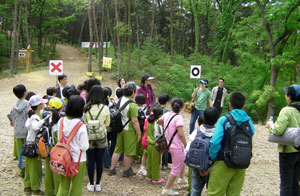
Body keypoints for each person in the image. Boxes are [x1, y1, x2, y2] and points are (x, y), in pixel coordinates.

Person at [207, 92, 255, 196]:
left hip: (223, 162)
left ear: (229, 105)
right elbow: (251, 135)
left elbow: (215, 142)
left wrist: (213, 158)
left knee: (215, 193)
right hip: (241, 163)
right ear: (244, 106)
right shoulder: (249, 122)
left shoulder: (223, 120)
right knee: (234, 193)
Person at [265, 84, 300, 196]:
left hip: (288, 151)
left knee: (285, 184)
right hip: (299, 150)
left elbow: (278, 130)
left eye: (286, 93)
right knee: (295, 183)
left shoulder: (287, 110)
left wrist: (270, 125)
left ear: (289, 97)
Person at [56, 95, 89, 196]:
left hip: (63, 158)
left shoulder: (61, 121)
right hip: (78, 160)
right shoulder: (81, 126)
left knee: (63, 184)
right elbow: (84, 146)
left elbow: (59, 139)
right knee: (76, 185)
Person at [109, 82, 142, 177]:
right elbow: (135, 121)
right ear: (133, 92)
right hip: (129, 130)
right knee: (129, 151)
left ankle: (112, 168)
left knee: (118, 149)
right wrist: (139, 133)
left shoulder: (120, 100)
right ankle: (127, 170)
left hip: (120, 128)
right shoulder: (132, 105)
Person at [185, 107, 220, 196]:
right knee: (211, 192)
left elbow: (188, 149)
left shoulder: (197, 131)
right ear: (217, 120)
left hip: (196, 166)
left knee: (195, 190)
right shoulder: (217, 133)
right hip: (211, 169)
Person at [84, 85, 110, 192]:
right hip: (101, 137)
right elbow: (107, 123)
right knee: (99, 161)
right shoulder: (105, 108)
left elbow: (85, 123)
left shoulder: (86, 108)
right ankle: (98, 183)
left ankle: (90, 183)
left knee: (90, 161)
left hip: (89, 137)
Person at [159, 98, 187, 196]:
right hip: (176, 146)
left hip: (168, 144)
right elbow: (181, 134)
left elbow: (159, 121)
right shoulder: (178, 118)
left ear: (171, 106)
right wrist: (185, 144)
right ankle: (167, 189)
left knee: (182, 158)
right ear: (182, 107)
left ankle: (181, 178)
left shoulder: (166, 115)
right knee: (175, 168)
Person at [24, 95, 50, 195]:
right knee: (35, 168)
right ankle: (35, 188)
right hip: (33, 147)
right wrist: (45, 119)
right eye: (42, 103)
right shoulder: (35, 117)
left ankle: (27, 187)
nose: (43, 104)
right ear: (38, 105)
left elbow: (27, 126)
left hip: (27, 145)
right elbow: (35, 127)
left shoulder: (30, 116)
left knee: (29, 167)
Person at [7, 84, 30, 177]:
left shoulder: (15, 104)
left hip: (17, 131)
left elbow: (10, 115)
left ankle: (21, 169)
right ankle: (26, 168)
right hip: (26, 131)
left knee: (21, 151)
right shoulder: (27, 104)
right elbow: (29, 116)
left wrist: (13, 122)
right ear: (25, 93)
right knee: (27, 151)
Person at [44, 97, 63, 196]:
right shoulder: (61, 121)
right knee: (57, 172)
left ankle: (49, 192)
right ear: (61, 107)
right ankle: (57, 192)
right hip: (58, 149)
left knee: (49, 171)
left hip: (48, 148)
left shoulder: (47, 118)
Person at [146, 106, 165, 184]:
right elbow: (159, 135)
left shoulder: (149, 123)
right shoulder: (157, 124)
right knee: (156, 162)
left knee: (149, 161)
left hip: (149, 144)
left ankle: (149, 176)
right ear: (160, 115)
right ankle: (155, 178)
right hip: (156, 145)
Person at [158, 93, 171, 170]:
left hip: (157, 131)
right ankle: (164, 164)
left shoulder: (156, 109)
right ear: (166, 102)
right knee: (165, 148)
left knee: (157, 146)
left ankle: (156, 162)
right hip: (165, 132)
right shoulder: (168, 112)